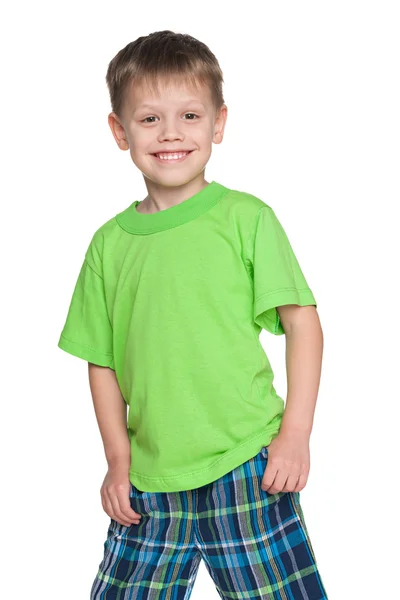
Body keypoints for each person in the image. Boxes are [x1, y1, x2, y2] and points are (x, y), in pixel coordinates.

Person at [58, 29, 329, 600]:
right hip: (150, 483)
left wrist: (296, 433)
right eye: (149, 119)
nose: (172, 133)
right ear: (119, 131)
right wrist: (117, 461)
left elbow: (301, 320)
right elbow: (101, 363)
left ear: (219, 124)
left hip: (247, 464)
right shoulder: (109, 245)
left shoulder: (246, 218)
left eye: (189, 115)